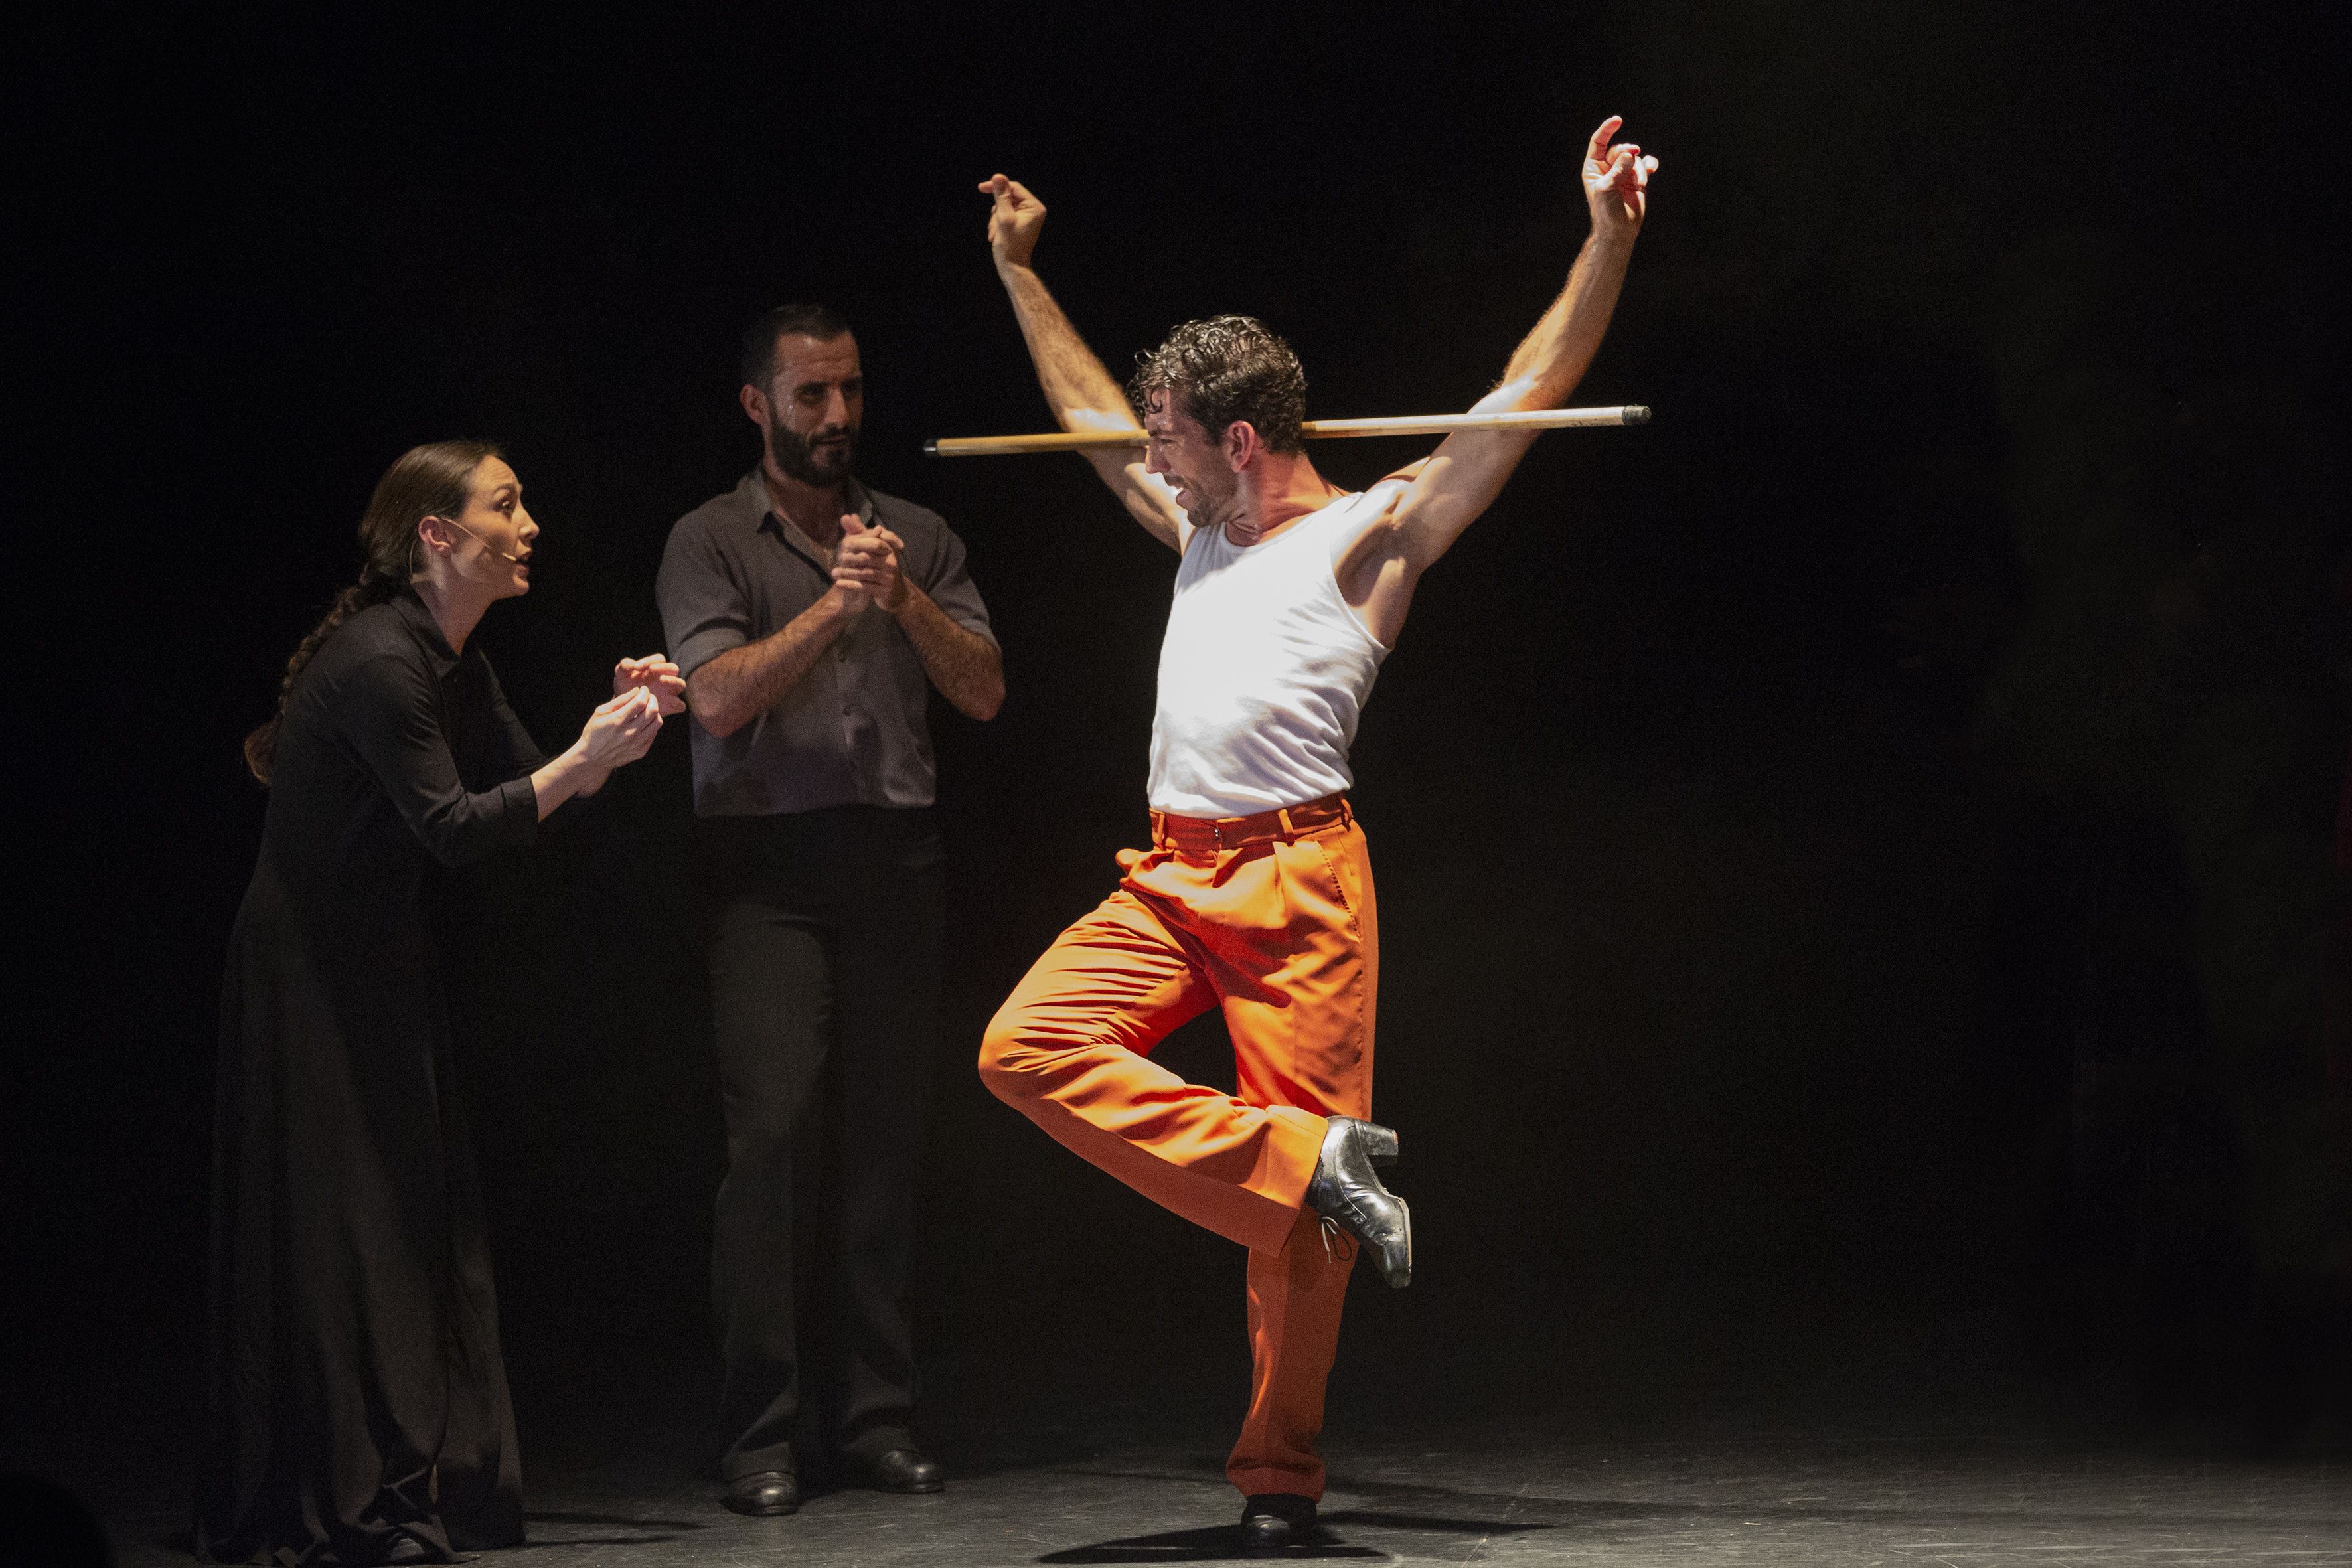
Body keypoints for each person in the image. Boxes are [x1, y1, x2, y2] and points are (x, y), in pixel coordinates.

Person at [973, 118, 1658, 1553]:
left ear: (1236, 439)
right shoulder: (1198, 529)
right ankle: (1305, 1160)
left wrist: (1607, 237)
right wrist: (1021, 274)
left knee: (1303, 1251)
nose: (1147, 467)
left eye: (1171, 443)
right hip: (1168, 874)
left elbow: (1521, 394)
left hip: (1296, 885)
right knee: (1021, 1049)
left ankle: (1278, 1476)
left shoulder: (1370, 534)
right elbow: (1098, 410)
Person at [200, 440, 684, 1565]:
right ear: (436, 535)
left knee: (414, 1221)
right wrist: (581, 759)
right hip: (307, 974)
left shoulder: (454, 658)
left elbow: (527, 799)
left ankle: (431, 1476)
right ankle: (344, 1491)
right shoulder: (381, 661)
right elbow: (456, 829)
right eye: (504, 506)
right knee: (347, 1233)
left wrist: (615, 734)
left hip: (376, 961)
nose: (529, 526)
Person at [657, 304, 1004, 1517]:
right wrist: (833, 608)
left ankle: (874, 1418)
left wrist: (903, 600)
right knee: (772, 1144)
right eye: (811, 395)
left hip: (896, 859)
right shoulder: (709, 539)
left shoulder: (919, 534)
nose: (838, 416)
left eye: (851, 390)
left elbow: (986, 691)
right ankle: (758, 1431)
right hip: (767, 870)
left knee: (884, 1143)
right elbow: (713, 702)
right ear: (757, 403)